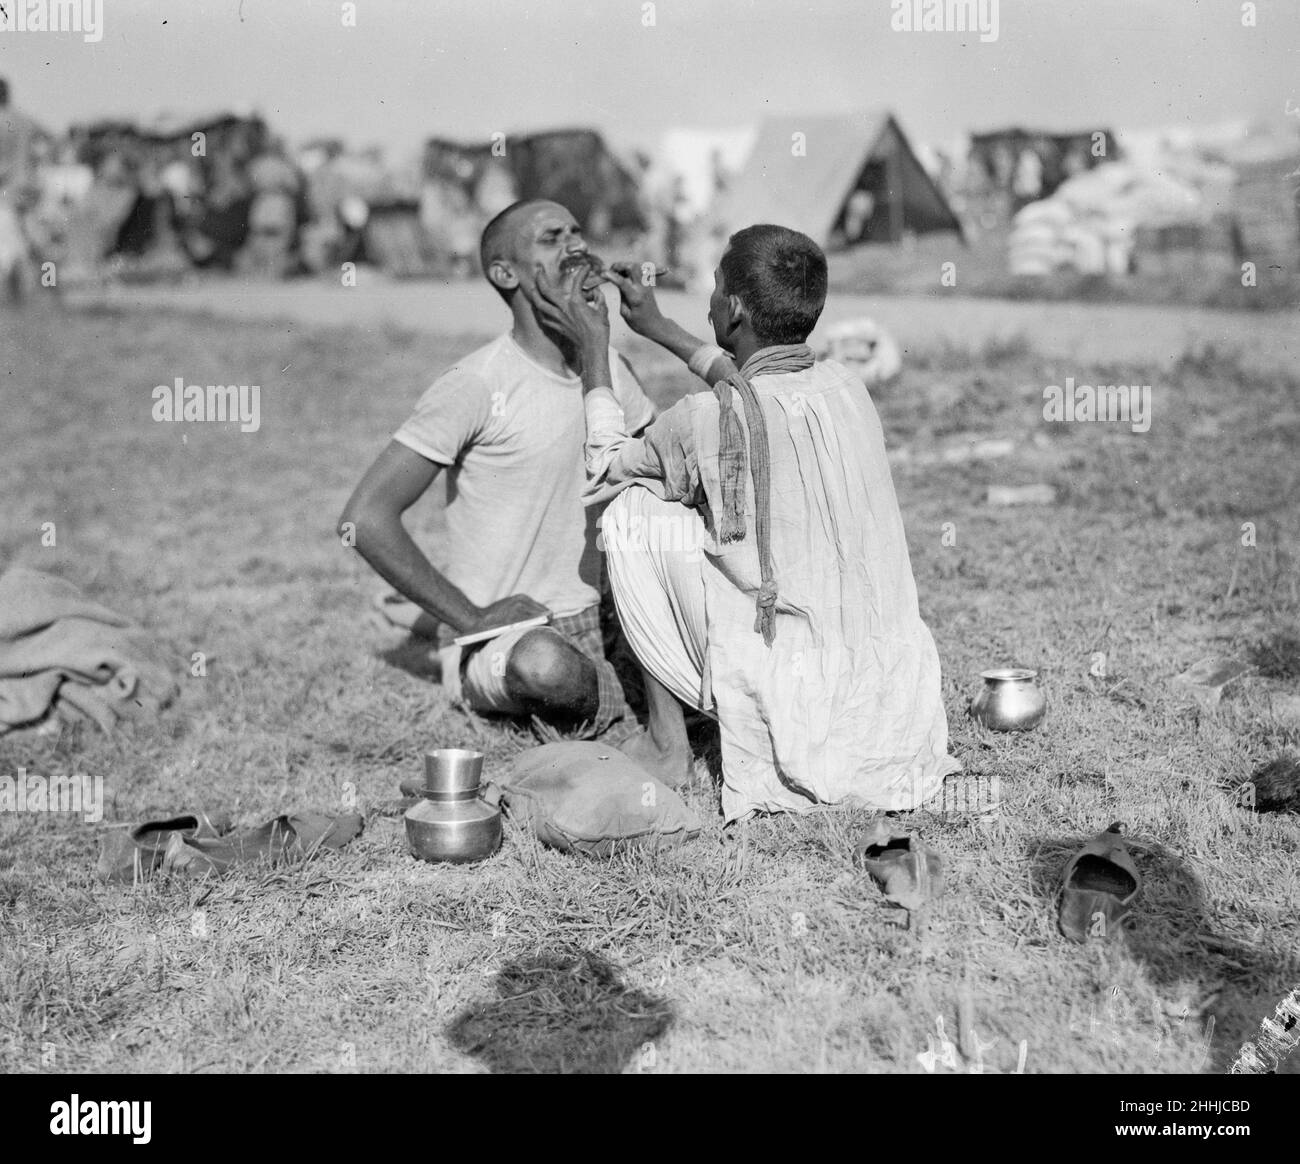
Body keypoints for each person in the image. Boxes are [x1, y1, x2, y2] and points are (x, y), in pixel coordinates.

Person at [529, 223, 986, 822]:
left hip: (790, 681)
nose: (710, 299)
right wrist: (660, 328)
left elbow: (604, 466)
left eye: (717, 289)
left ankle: (670, 743)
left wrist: (595, 352)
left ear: (736, 308)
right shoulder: (845, 386)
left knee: (634, 511)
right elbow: (750, 386)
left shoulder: (703, 421)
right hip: (879, 692)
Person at [339, 199, 679, 770]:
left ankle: (629, 691)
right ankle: (451, 640)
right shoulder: (475, 383)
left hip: (614, 616)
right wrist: (470, 618)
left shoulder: (611, 368)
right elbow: (364, 519)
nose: (574, 247)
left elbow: (658, 484)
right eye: (551, 238)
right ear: (505, 273)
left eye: (577, 232)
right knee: (544, 666)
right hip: (518, 632)